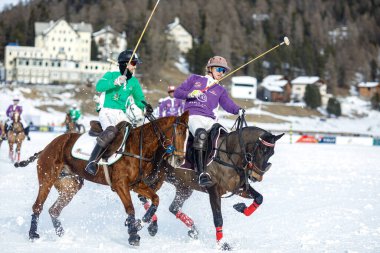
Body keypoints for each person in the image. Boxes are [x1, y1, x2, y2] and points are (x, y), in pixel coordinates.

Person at [174, 56, 245, 187]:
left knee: (228, 137)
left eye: (223, 71)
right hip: (192, 116)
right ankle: (201, 173)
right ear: (210, 68)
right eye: (219, 69)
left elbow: (228, 104)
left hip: (210, 120)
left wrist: (238, 110)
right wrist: (190, 93)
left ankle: (236, 171)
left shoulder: (220, 89)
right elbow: (177, 93)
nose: (221, 72)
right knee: (201, 135)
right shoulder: (195, 79)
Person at [85, 49, 153, 176]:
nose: (135, 66)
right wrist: (116, 81)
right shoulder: (111, 74)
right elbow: (99, 87)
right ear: (125, 64)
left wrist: (146, 107)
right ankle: (92, 162)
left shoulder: (134, 82)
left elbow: (140, 99)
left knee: (134, 136)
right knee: (111, 132)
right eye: (133, 63)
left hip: (121, 114)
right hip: (106, 111)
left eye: (136, 63)